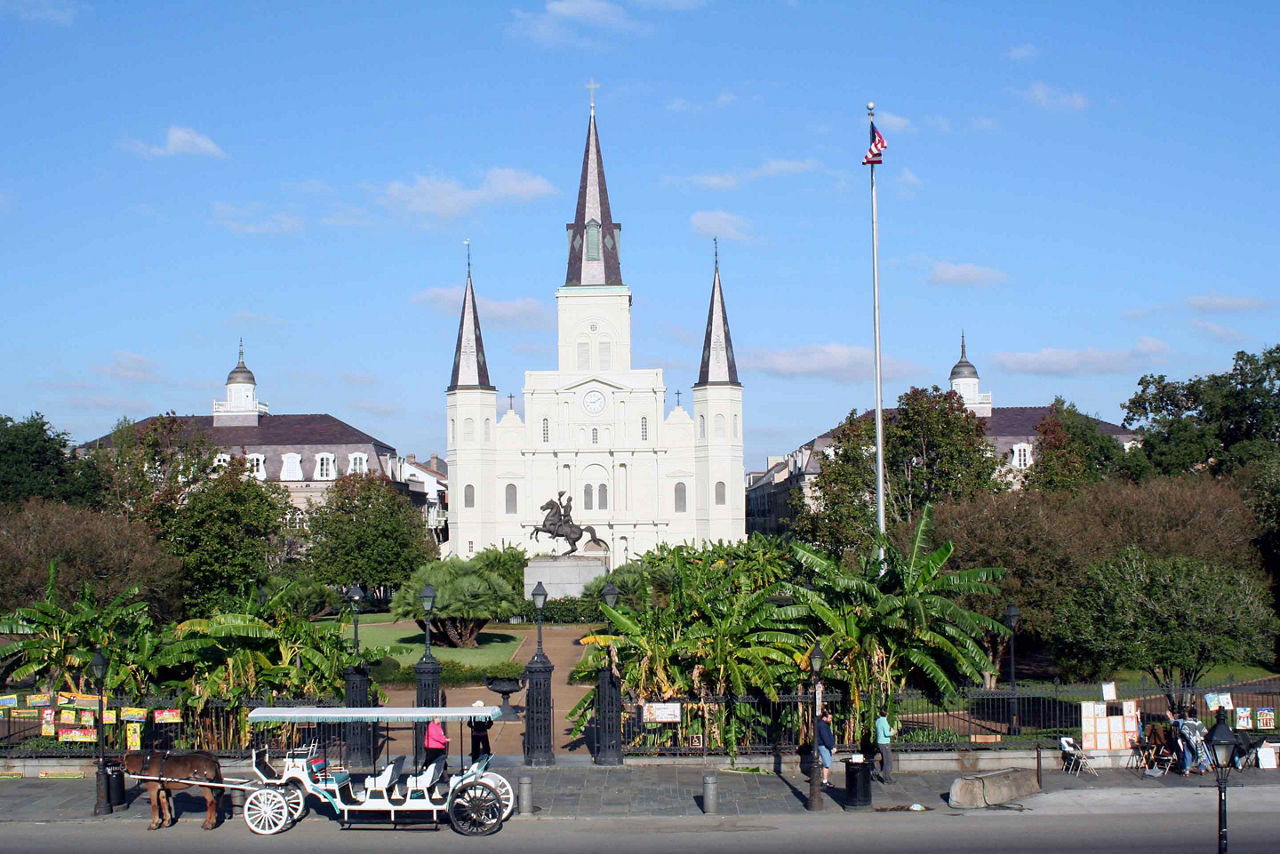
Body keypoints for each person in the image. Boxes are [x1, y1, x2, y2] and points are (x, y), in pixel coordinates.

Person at [814, 707, 835, 787]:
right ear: (824, 717)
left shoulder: (823, 724)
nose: (831, 720)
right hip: (824, 746)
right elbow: (825, 737)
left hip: (824, 745)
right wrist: (831, 747)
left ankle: (825, 779)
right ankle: (825, 781)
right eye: (829, 718)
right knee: (827, 763)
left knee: (826, 762)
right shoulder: (822, 726)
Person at [874, 707, 896, 784]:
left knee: (881, 759)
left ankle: (875, 772)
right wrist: (893, 732)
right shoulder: (884, 722)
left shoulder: (878, 721)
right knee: (888, 761)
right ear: (887, 713)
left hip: (879, 742)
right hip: (885, 743)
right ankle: (886, 779)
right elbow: (887, 734)